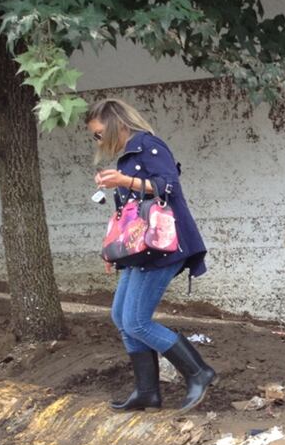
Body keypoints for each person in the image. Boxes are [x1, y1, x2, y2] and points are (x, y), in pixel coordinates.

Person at [87, 98, 216, 413]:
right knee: (120, 316)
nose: (98, 140)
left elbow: (168, 187)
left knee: (136, 321)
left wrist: (123, 180)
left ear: (118, 123)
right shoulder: (128, 158)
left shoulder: (149, 146)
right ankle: (147, 392)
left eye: (99, 133)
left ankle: (198, 372)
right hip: (139, 251)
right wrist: (113, 251)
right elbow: (127, 215)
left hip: (164, 245)